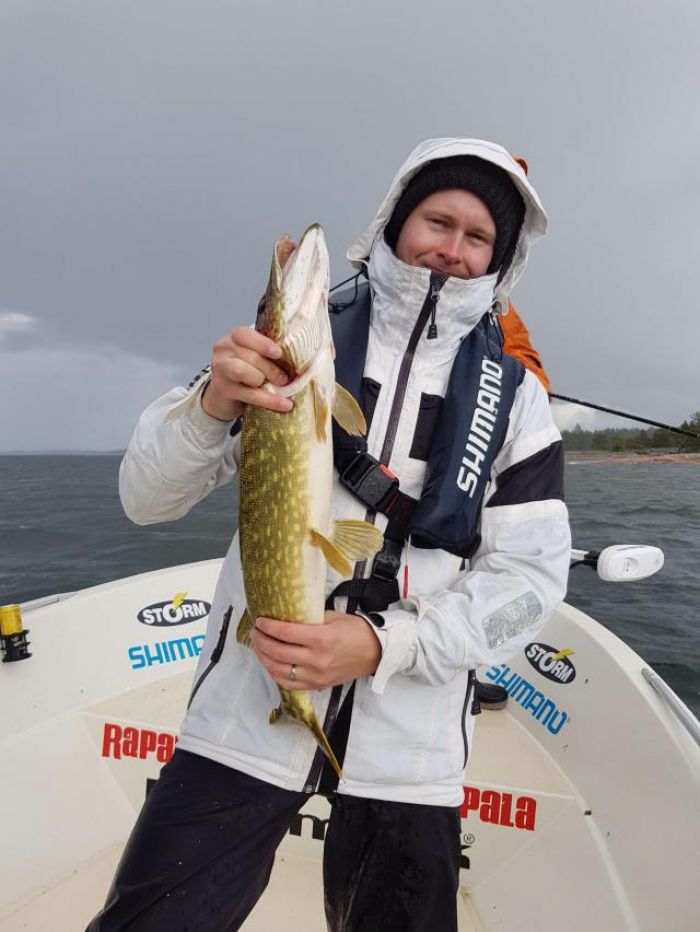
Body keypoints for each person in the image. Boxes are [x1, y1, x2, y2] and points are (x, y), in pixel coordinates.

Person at [88, 137, 570, 931]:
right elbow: (145, 498)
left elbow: (530, 583)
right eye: (437, 221)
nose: (451, 248)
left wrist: (384, 645)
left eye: (477, 235)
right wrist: (211, 406)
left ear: (500, 257)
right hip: (244, 717)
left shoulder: (518, 402)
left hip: (410, 748)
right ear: (394, 222)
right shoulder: (274, 357)